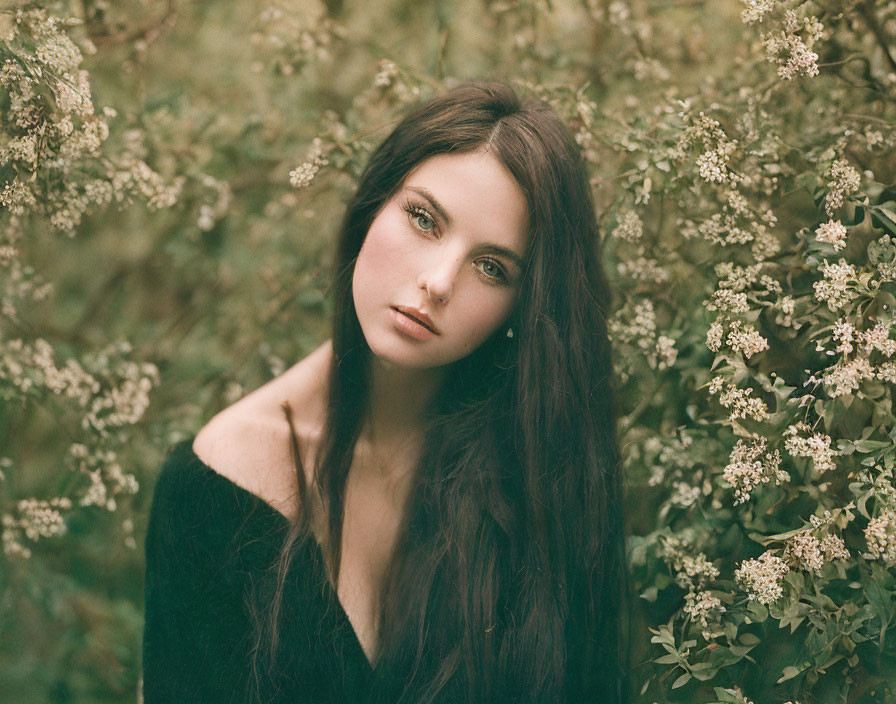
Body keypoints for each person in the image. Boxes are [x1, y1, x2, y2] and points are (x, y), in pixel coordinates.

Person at [142, 82, 628, 703]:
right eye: (424, 219)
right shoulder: (219, 485)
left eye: (492, 267)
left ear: (523, 308)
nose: (437, 282)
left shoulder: (537, 471)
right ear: (373, 204)